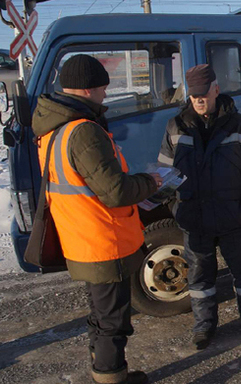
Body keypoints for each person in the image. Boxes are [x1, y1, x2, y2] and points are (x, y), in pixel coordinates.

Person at [31, 54, 161, 384]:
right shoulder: (84, 132)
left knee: (102, 315)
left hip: (83, 237)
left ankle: (104, 371)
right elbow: (115, 192)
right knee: (113, 321)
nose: (106, 93)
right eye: (103, 87)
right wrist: (150, 182)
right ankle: (110, 377)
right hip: (103, 241)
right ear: (89, 89)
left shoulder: (54, 128)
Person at [157, 64, 241, 350]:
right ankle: (204, 327)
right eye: (194, 95)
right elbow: (165, 174)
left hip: (232, 216)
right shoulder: (176, 126)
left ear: (216, 90)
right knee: (199, 279)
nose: (198, 100)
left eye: (203, 94)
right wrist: (176, 207)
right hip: (194, 218)